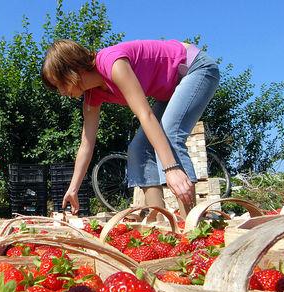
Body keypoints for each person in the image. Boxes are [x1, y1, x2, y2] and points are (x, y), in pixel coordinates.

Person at [41, 38, 220, 217]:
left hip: (195, 68)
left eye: (60, 84)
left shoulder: (112, 63)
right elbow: (86, 143)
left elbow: (145, 115)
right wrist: (73, 189)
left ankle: (191, 226)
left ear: (72, 69)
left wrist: (171, 168)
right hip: (170, 90)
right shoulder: (91, 96)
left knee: (169, 135)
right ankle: (159, 220)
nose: (62, 92)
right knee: (139, 149)